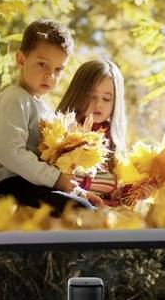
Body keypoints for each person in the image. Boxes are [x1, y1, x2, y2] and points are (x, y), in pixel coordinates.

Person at [0, 18, 104, 212]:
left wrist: (78, 191)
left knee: (86, 206)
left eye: (58, 69)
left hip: (36, 183)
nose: (51, 76)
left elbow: (50, 162)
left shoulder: (45, 108)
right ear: (21, 60)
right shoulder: (13, 99)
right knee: (80, 211)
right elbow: (10, 153)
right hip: (12, 184)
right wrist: (55, 180)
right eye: (42, 64)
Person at [54, 58, 144, 205]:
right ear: (78, 93)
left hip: (106, 218)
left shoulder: (113, 143)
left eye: (107, 99)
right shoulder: (60, 132)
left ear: (116, 103)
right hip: (68, 210)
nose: (98, 104)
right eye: (91, 96)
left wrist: (138, 192)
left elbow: (121, 197)